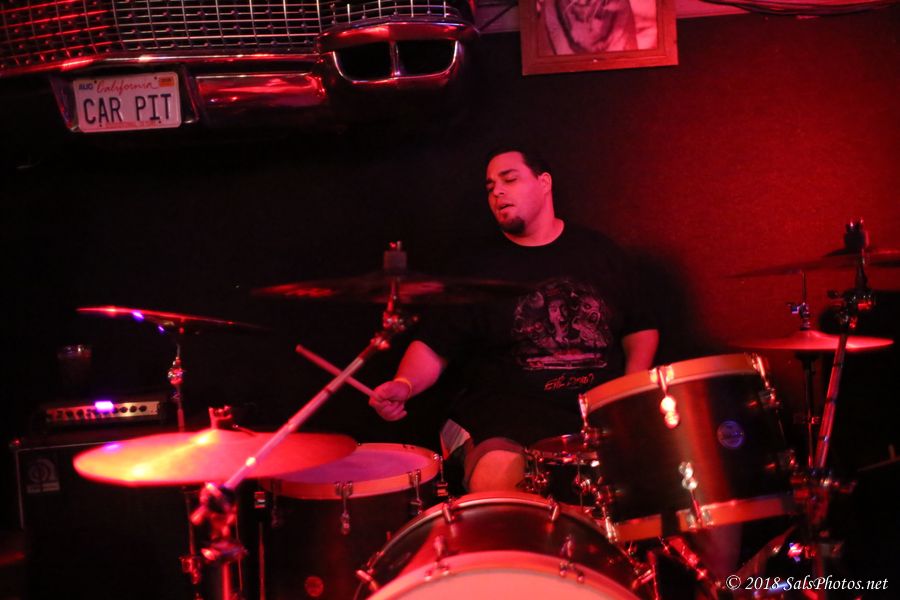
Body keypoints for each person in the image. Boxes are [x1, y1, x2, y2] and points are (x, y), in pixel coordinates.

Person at [369, 147, 659, 492]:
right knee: (497, 477)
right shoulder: (476, 268)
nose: (498, 192)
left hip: (591, 418)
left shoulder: (600, 253)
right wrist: (404, 384)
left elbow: (641, 329)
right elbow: (434, 345)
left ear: (544, 182)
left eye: (509, 179)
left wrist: (629, 394)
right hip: (505, 419)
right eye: (490, 187)